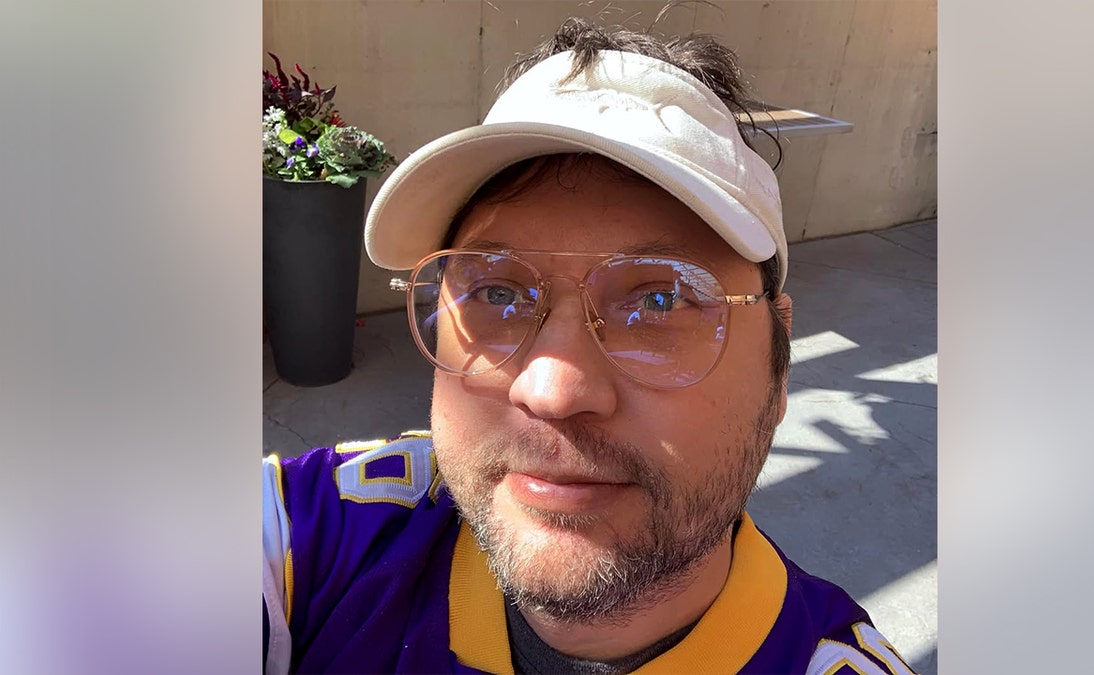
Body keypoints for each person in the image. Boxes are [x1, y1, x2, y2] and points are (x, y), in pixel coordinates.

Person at [263, 14, 917, 675]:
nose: (552, 389)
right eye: (495, 292)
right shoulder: (323, 534)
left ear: (777, 367)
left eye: (660, 299)